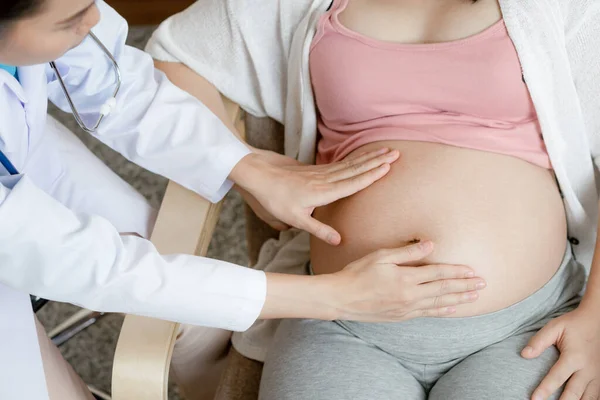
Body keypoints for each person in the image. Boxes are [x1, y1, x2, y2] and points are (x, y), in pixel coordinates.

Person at [0, 0, 489, 399]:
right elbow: (99, 267)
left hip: (26, 150)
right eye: (69, 20)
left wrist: (245, 165)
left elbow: (117, 86)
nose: (94, 21)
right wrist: (334, 297)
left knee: (172, 268)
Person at [147, 0, 600, 399]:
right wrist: (246, 170)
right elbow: (173, 58)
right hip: (339, 320)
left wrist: (596, 317)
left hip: (524, 326)